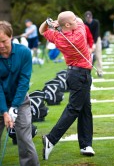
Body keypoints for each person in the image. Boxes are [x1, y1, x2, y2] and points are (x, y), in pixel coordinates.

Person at [39, 11, 95, 160]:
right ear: (69, 25)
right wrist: (59, 23)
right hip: (81, 75)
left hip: (73, 74)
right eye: (73, 22)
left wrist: (49, 22)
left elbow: (42, 30)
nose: (76, 22)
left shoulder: (58, 37)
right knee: (74, 109)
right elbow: (80, 20)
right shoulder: (79, 33)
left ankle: (85, 144)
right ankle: (51, 139)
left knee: (85, 109)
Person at [0, 21, 40, 166]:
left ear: (11, 37)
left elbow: (24, 81)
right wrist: (5, 111)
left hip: (20, 101)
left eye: (3, 41)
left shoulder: (24, 52)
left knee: (24, 138)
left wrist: (15, 107)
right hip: (0, 100)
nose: (1, 46)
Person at [84, 11, 103, 77]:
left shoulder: (96, 22)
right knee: (88, 57)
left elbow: (96, 33)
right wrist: (89, 44)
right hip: (88, 41)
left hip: (96, 40)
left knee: (98, 55)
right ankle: (88, 73)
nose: (88, 19)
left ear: (91, 17)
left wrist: (94, 43)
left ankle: (100, 72)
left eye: (89, 18)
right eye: (87, 18)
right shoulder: (85, 24)